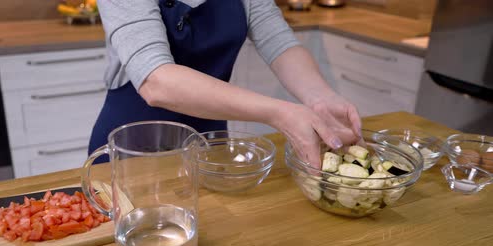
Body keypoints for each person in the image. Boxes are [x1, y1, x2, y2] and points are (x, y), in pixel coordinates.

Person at [90, 0, 362, 167]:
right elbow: (156, 80)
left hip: (209, 144)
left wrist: (320, 97)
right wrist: (281, 113)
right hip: (133, 149)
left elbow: (279, 42)